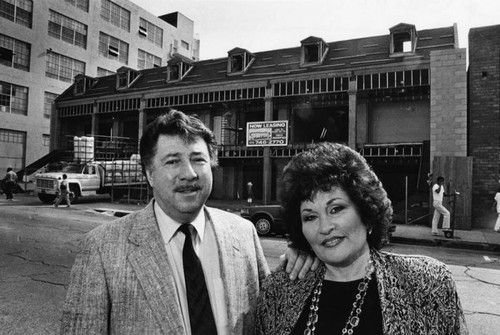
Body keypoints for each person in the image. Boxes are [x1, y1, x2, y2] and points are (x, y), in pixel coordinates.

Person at [60, 110, 317, 334]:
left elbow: (269, 319)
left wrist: (305, 256)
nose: (189, 174)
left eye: (198, 160)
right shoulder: (101, 248)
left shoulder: (243, 233)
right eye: (173, 161)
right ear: (149, 173)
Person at [254, 142, 468, 335]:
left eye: (336, 209)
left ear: (366, 212)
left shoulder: (428, 283)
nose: (325, 227)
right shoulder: (279, 290)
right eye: (310, 216)